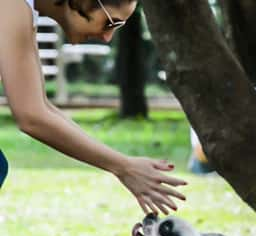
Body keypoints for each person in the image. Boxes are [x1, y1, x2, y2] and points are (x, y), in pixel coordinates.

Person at [0, 0, 187, 216]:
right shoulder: (12, 5)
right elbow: (31, 116)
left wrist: (123, 164)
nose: (107, 37)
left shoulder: (22, 10)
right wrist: (123, 167)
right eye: (110, 23)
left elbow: (42, 106)